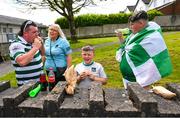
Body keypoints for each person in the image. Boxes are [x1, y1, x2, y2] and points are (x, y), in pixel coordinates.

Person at [115, 10, 172, 89]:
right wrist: (120, 38)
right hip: (127, 78)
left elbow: (135, 51)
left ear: (141, 23)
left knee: (140, 99)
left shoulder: (151, 37)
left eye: (132, 24)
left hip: (140, 80)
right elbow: (126, 46)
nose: (130, 27)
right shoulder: (135, 34)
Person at [9, 20, 45, 86]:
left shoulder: (32, 42)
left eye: (37, 31)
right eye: (34, 32)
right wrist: (35, 48)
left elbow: (43, 54)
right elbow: (22, 62)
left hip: (40, 82)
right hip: (26, 86)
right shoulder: (16, 45)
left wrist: (41, 44)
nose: (37, 34)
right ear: (25, 33)